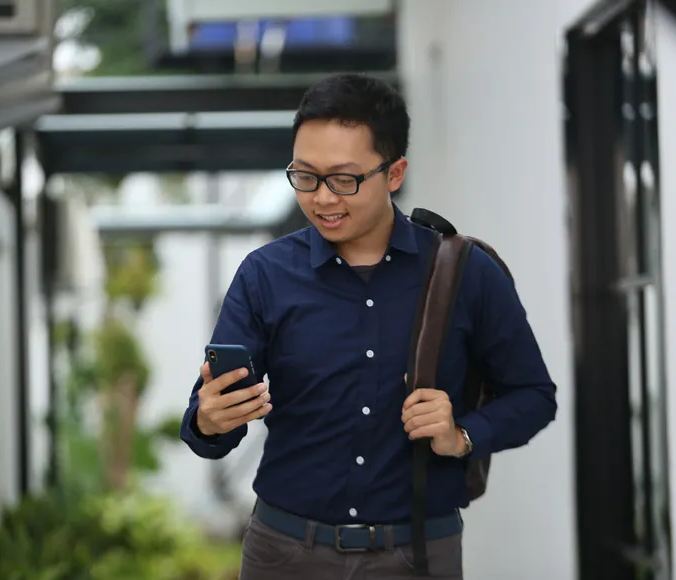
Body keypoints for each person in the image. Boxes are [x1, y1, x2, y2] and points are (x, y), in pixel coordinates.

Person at [179, 73, 557, 580]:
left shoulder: (464, 271)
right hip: (285, 554)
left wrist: (462, 434)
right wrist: (209, 420)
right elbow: (206, 423)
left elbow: (534, 395)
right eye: (305, 176)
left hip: (417, 553)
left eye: (344, 179)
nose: (322, 199)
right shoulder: (265, 274)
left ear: (395, 172)